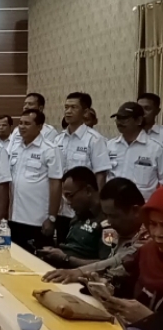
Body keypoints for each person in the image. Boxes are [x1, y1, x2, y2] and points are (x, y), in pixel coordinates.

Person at [43, 177, 147, 285]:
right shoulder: (123, 229)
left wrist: (77, 272)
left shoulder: (150, 235)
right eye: (106, 215)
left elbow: (118, 260)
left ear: (135, 211)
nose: (109, 222)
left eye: (113, 216)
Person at [99, 187, 163, 324]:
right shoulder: (146, 253)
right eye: (152, 224)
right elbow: (125, 283)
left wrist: (150, 319)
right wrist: (107, 288)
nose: (158, 234)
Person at [54, 92, 111, 244]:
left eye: (73, 107)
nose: (68, 111)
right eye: (66, 107)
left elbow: (100, 175)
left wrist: (97, 207)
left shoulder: (94, 139)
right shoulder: (58, 140)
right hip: (61, 208)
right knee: (62, 246)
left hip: (84, 209)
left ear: (85, 112)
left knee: (82, 248)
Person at [7, 108, 63, 251]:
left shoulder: (49, 149)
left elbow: (56, 184)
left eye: (27, 123)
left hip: (37, 221)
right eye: (20, 123)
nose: (22, 127)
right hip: (14, 218)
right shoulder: (14, 148)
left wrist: (52, 218)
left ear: (39, 127)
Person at [36, 166, 107, 267]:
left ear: (88, 191)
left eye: (70, 196)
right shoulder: (79, 215)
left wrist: (65, 259)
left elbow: (107, 264)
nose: (68, 202)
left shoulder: (107, 219)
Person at [106, 102, 163, 201]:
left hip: (142, 205)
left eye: (125, 118)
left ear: (139, 120)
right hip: (113, 204)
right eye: (118, 118)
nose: (120, 122)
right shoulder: (109, 146)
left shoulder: (156, 149)